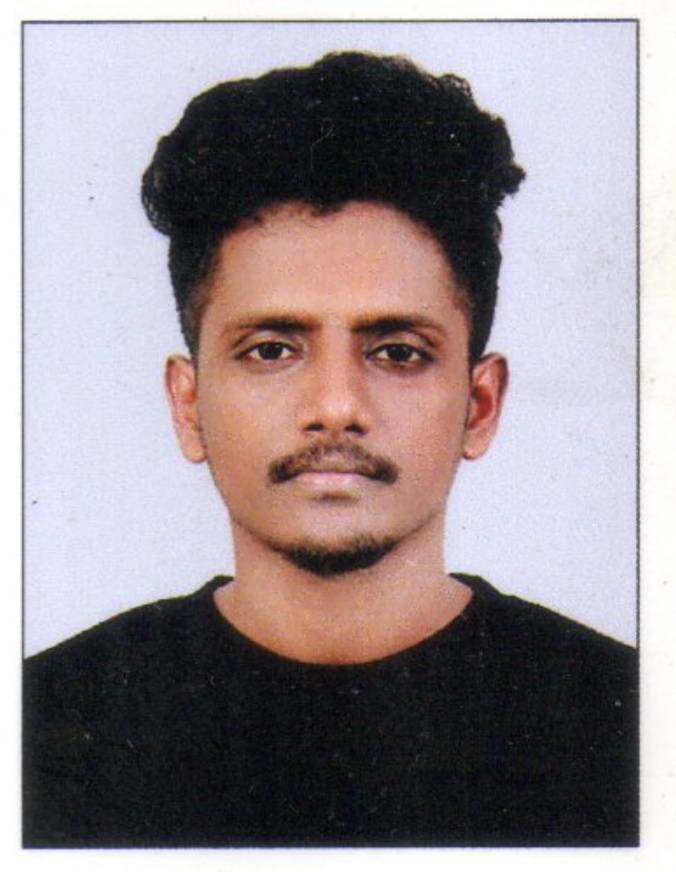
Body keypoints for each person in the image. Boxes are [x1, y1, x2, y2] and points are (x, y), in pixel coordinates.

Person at [23, 51, 637, 848]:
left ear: (480, 404)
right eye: (272, 350)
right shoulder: (41, 730)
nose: (336, 407)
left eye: (399, 352)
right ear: (188, 404)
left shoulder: (630, 727)